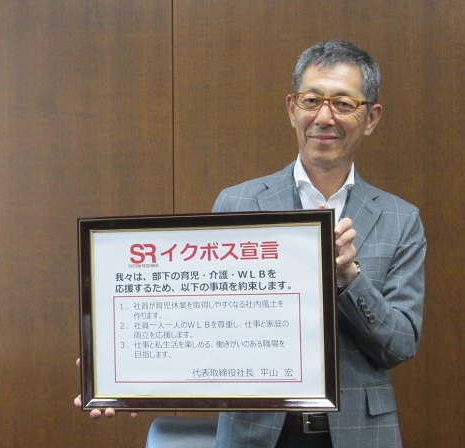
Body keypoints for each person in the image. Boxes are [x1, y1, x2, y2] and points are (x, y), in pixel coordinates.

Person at [76, 40, 426, 448]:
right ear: (292, 108)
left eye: (343, 104)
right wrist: (122, 372)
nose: (324, 116)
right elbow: (202, 319)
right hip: (254, 434)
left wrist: (350, 278)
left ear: (371, 117)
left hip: (360, 434)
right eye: (312, 100)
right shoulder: (239, 203)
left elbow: (400, 344)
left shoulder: (401, 219)